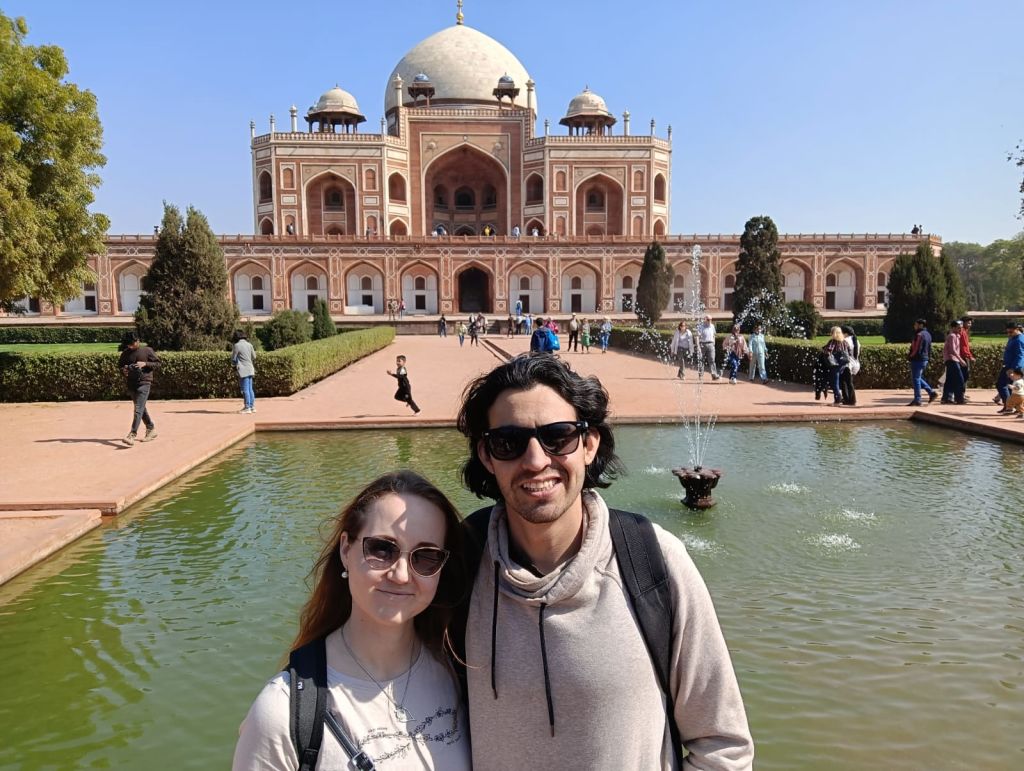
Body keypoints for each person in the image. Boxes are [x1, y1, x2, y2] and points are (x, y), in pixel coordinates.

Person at [452, 354, 754, 769]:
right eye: (508, 442)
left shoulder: (653, 562)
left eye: (558, 437)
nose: (536, 461)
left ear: (589, 444)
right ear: (487, 456)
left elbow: (723, 746)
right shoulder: (458, 567)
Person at [232, 471, 470, 770]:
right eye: (382, 549)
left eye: (425, 557)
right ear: (346, 549)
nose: (400, 575)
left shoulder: (458, 670)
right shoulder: (280, 712)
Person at [118, 331, 161, 446]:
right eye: (128, 345)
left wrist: (145, 364)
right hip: (131, 384)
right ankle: (151, 429)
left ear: (138, 341)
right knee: (141, 408)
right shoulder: (125, 353)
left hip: (144, 383)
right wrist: (124, 370)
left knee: (138, 408)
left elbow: (158, 363)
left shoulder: (147, 350)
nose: (130, 346)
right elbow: (120, 366)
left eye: (132, 344)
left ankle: (132, 434)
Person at [907, 318, 937, 407]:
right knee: (917, 378)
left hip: (918, 359)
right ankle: (931, 393)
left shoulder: (919, 335)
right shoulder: (928, 334)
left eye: (916, 324)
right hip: (924, 359)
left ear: (920, 325)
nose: (914, 326)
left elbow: (916, 348)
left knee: (916, 379)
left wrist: (910, 356)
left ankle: (918, 399)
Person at [995, 321, 1024, 409]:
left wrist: (1013, 369)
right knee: (1011, 387)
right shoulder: (1013, 337)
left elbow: (1020, 355)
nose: (1008, 334)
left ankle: (1009, 406)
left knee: (1001, 384)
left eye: (1011, 332)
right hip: (1009, 365)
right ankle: (1014, 407)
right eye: (1007, 332)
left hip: (1012, 367)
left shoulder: (1019, 340)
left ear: (1017, 329)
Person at [822, 326, 850, 406]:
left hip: (835, 364)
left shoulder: (833, 342)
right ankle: (839, 397)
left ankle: (838, 398)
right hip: (843, 364)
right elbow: (848, 351)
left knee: (834, 382)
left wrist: (825, 351)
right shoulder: (844, 342)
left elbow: (828, 351)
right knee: (837, 381)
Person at [940, 320, 966, 405]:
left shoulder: (957, 336)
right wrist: (961, 360)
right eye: (958, 328)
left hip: (953, 360)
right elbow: (953, 350)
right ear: (953, 328)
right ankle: (959, 399)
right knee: (959, 379)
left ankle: (946, 398)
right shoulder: (952, 336)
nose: (960, 329)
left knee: (950, 380)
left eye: (961, 328)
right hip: (951, 360)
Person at [232, 330, 257, 414]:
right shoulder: (249, 345)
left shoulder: (237, 345)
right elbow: (254, 356)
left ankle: (247, 407)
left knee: (245, 389)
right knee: (250, 389)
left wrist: (235, 364)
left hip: (243, 370)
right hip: (250, 368)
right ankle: (252, 407)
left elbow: (233, 359)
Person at [838, 325, 859, 405]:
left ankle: (850, 400)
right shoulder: (856, 340)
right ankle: (849, 399)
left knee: (845, 382)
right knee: (848, 382)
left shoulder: (845, 340)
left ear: (845, 333)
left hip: (847, 364)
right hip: (855, 363)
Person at [697, 315, 720, 380]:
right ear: (705, 319)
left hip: (711, 344)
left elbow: (714, 335)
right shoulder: (701, 326)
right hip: (702, 344)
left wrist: (714, 343)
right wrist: (698, 346)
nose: (710, 321)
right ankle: (701, 375)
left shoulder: (712, 326)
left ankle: (714, 375)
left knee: (712, 360)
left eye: (711, 319)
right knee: (701, 360)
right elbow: (697, 336)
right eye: (708, 319)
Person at [958, 317, 975, 391]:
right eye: (968, 323)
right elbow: (964, 346)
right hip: (962, 357)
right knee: (964, 376)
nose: (970, 325)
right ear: (963, 323)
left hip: (960, 356)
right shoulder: (963, 332)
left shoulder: (963, 331)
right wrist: (969, 356)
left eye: (970, 323)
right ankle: (961, 393)